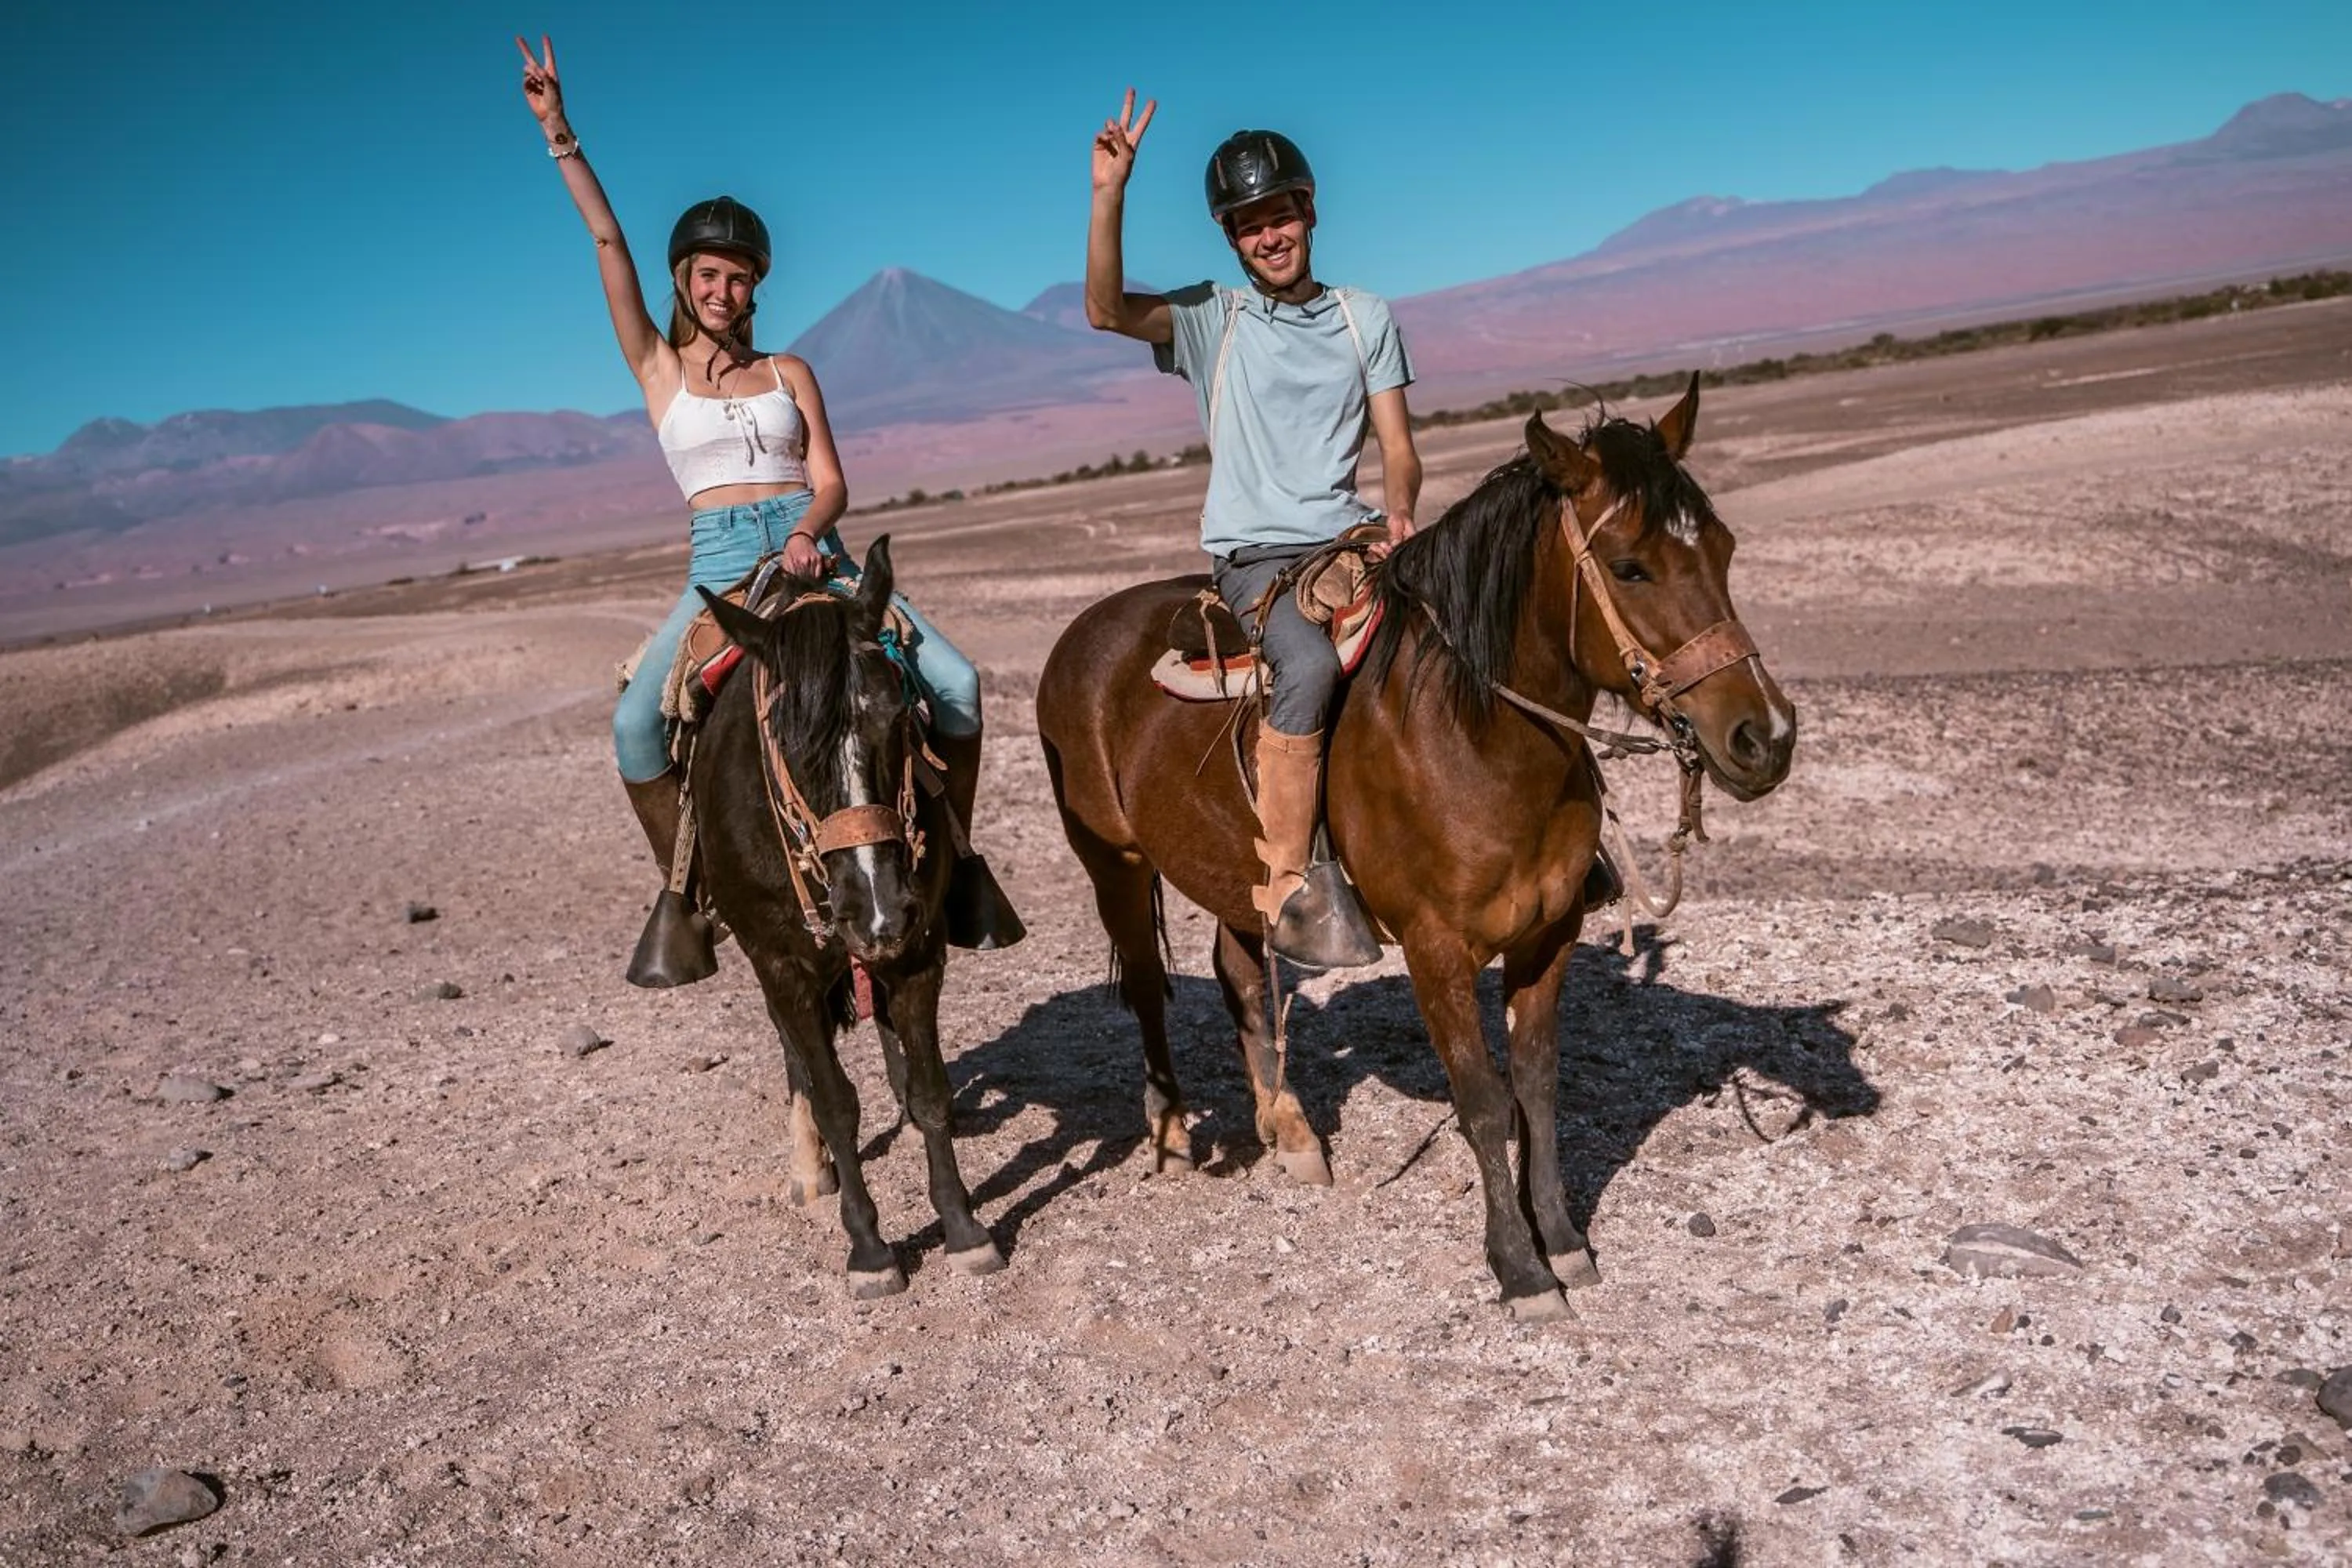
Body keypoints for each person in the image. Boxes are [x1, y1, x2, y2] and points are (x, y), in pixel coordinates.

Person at [514, 36, 1019, 986]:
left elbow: (832, 479)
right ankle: (692, 893)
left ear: (757, 285)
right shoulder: (657, 371)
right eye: (706, 275)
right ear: (682, 282)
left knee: (955, 682)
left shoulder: (791, 371)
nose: (722, 290)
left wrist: (803, 532)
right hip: (719, 566)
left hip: (810, 551)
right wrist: (560, 134)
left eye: (738, 276)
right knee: (633, 725)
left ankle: (955, 865)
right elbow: (607, 244)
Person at [1083, 93, 1421, 969]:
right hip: (1258, 559)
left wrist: (1400, 517)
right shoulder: (1213, 319)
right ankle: (1289, 883)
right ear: (1231, 239)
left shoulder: (1362, 316)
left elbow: (1397, 445)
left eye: (1280, 216)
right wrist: (1109, 193)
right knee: (1306, 663)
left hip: (1353, 542)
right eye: (1249, 226)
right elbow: (1105, 311)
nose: (1269, 237)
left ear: (1309, 212)